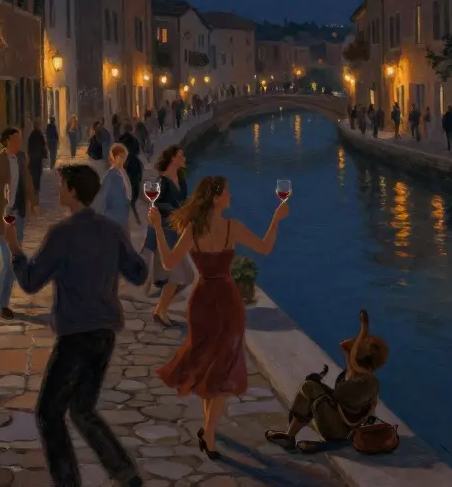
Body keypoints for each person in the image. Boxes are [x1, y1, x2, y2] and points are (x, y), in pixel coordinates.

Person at [4, 165, 147, 487]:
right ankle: (126, 474)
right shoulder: (111, 230)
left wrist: (14, 247)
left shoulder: (62, 234)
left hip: (76, 335)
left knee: (48, 414)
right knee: (82, 409)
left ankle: (69, 483)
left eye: (62, 186)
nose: (58, 191)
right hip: (104, 334)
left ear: (71, 190)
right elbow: (138, 273)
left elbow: (30, 281)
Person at [148, 176, 288, 459]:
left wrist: (158, 231)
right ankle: (209, 433)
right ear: (215, 198)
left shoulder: (192, 229)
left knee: (207, 363)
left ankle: (208, 429)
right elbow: (265, 247)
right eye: (226, 192)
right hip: (226, 300)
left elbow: (168, 263)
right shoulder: (231, 228)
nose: (231, 195)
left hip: (201, 301)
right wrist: (276, 218)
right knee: (221, 367)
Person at [264, 310, 388, 454]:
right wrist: (362, 331)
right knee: (309, 386)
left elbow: (338, 396)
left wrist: (350, 358)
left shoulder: (363, 383)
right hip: (342, 420)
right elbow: (345, 347)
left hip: (342, 429)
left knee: (314, 395)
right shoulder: (364, 378)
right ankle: (290, 436)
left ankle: (299, 437)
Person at [0, 127, 39, 320]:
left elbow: (27, 182)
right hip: (0, 216)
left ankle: (2, 302)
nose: (20, 143)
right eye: (16, 140)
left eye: (20, 139)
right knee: (8, 259)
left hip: (16, 215)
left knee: (14, 258)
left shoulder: (21, 159)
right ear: (7, 142)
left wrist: (34, 203)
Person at [146, 145, 194, 327]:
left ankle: (160, 308)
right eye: (181, 155)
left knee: (186, 276)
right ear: (173, 159)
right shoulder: (162, 181)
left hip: (177, 231)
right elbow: (156, 205)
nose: (184, 158)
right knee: (177, 275)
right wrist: (175, 211)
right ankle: (161, 311)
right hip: (165, 232)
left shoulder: (181, 181)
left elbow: (184, 202)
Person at [100, 144, 133, 230]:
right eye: (121, 157)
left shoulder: (122, 172)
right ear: (114, 157)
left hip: (123, 214)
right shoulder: (110, 175)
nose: (123, 160)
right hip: (114, 216)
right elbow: (104, 199)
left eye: (125, 157)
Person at [118, 125, 144, 219]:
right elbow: (137, 151)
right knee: (135, 184)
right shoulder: (133, 139)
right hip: (132, 165)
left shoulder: (120, 140)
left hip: (124, 164)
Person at [27, 120, 48, 193]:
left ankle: (35, 186)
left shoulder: (31, 135)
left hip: (33, 156)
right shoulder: (39, 134)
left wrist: (29, 155)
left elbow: (29, 146)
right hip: (38, 157)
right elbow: (43, 145)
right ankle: (37, 186)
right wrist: (44, 154)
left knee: (34, 172)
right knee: (38, 172)